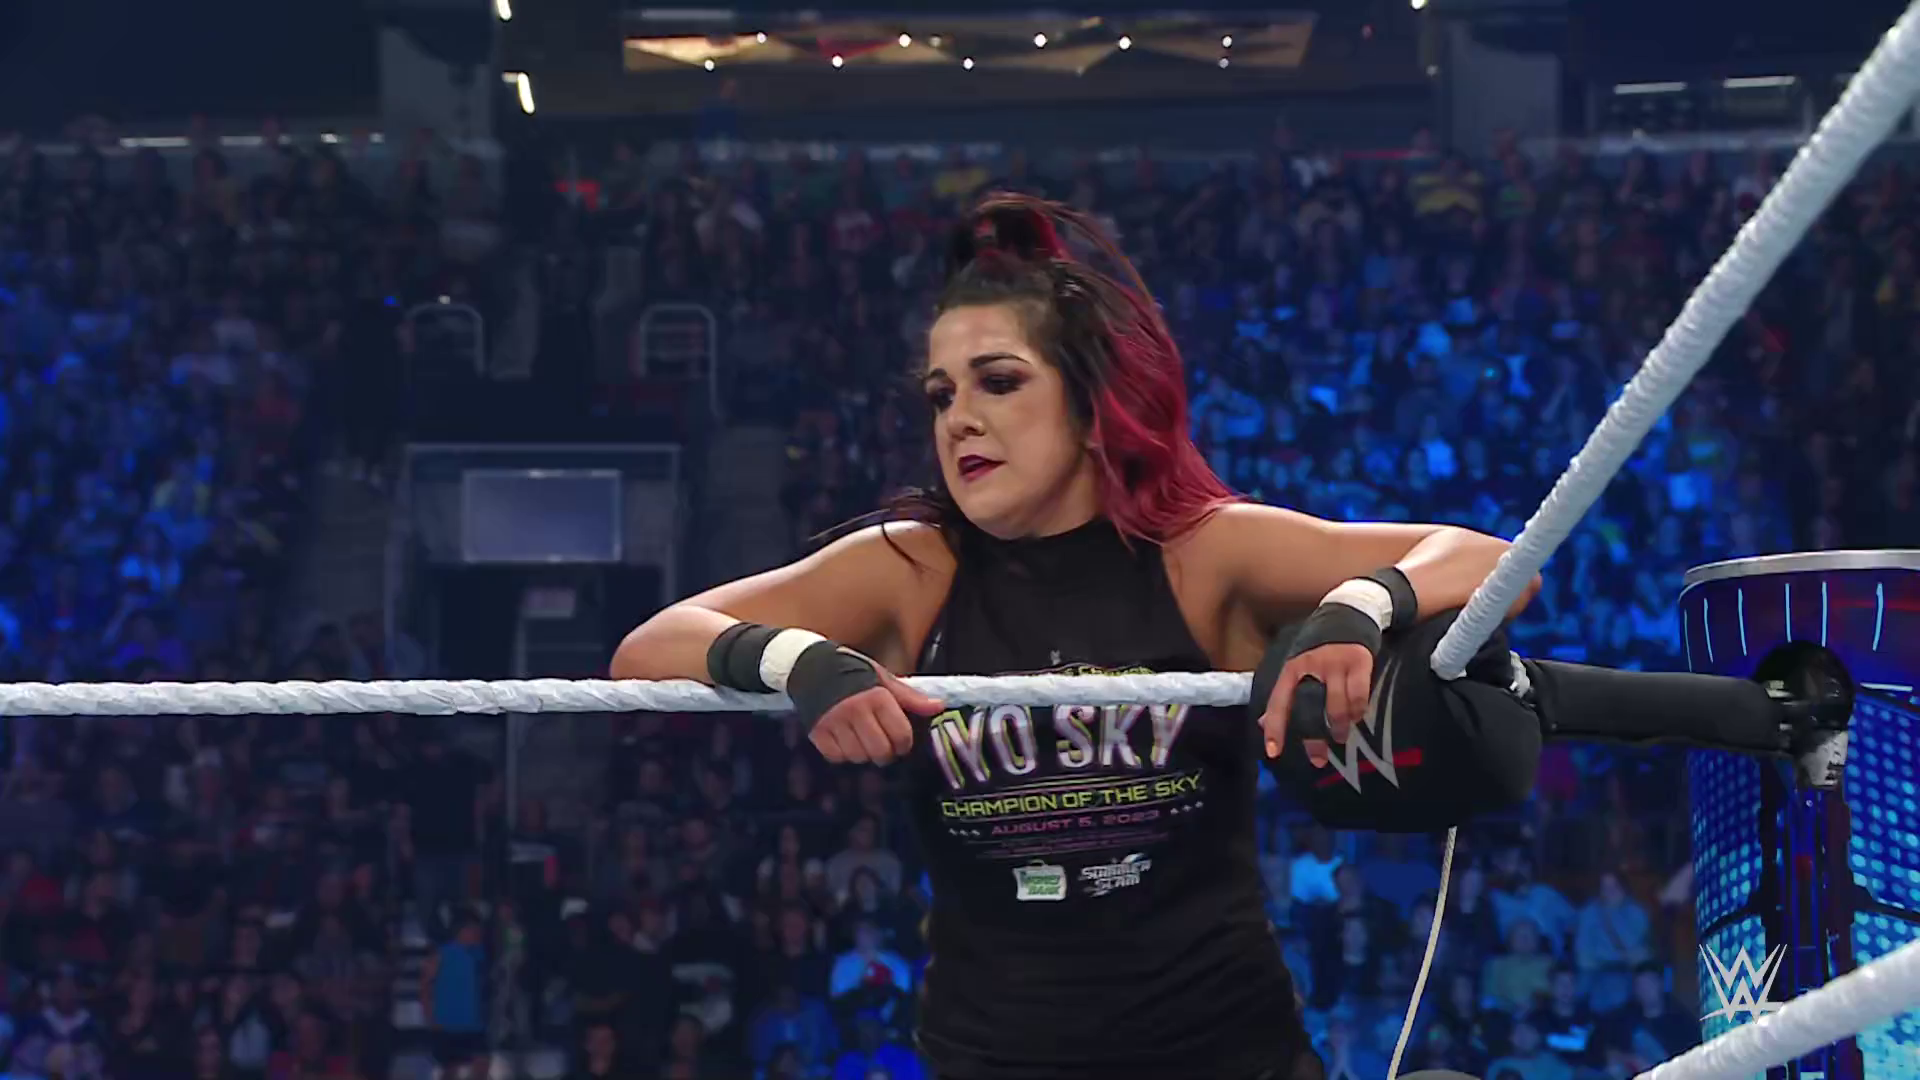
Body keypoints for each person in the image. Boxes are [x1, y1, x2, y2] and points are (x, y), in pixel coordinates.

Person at [613, 193, 1527, 1079]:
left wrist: (1358, 608)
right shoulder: (913, 568)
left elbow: (1495, 561)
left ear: (1091, 408)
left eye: (999, 381)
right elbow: (649, 649)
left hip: (1224, 1055)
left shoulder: (1200, 554)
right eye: (940, 395)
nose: (959, 419)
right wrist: (801, 660)